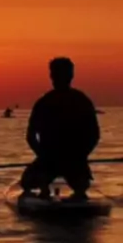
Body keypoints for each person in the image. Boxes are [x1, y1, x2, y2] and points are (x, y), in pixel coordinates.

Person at [20, 57, 100, 200]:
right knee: (27, 183)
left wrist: (80, 156)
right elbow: (94, 135)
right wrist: (81, 155)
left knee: (27, 185)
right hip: (59, 160)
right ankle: (51, 188)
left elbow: (30, 137)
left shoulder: (46, 102)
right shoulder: (79, 100)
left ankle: (48, 189)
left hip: (68, 160)